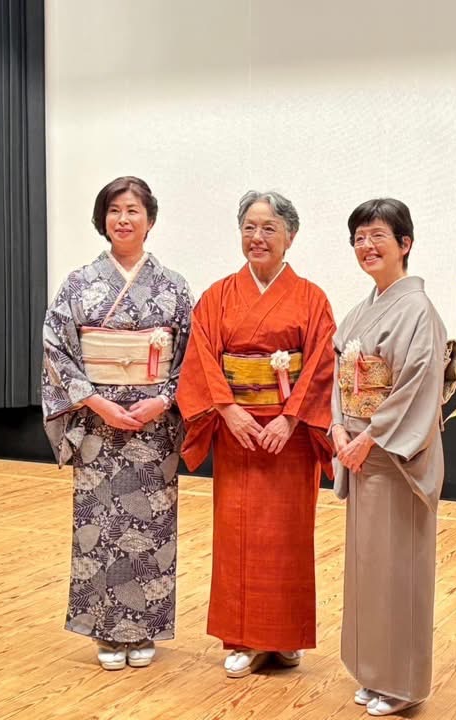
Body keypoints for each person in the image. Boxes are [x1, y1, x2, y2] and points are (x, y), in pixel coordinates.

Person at [176, 190, 336, 678]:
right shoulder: (218, 296)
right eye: (249, 226)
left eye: (269, 228)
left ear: (291, 235)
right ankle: (242, 638)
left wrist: (290, 418)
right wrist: (227, 409)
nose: (257, 237)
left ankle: (286, 638)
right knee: (238, 533)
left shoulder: (311, 298)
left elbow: (323, 362)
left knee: (288, 534)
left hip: (288, 437)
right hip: (238, 433)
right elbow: (202, 355)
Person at [42, 176, 193, 671]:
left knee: (150, 526)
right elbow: (56, 350)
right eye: (114, 210)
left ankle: (144, 628)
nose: (123, 219)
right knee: (100, 525)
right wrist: (97, 403)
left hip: (153, 427)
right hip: (98, 427)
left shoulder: (172, 286)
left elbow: (191, 357)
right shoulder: (78, 284)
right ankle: (105, 632)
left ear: (150, 219)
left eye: (133, 210)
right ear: (102, 218)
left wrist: (165, 399)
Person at [331, 198, 456, 716]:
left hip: (394, 459)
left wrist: (369, 437)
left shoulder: (419, 312)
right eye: (359, 237)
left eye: (377, 236)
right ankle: (372, 671)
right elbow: (339, 378)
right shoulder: (360, 310)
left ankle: (403, 684)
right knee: (368, 569)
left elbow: (417, 385)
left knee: (398, 570)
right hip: (361, 455)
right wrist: (339, 427)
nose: (367, 246)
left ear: (405, 244)